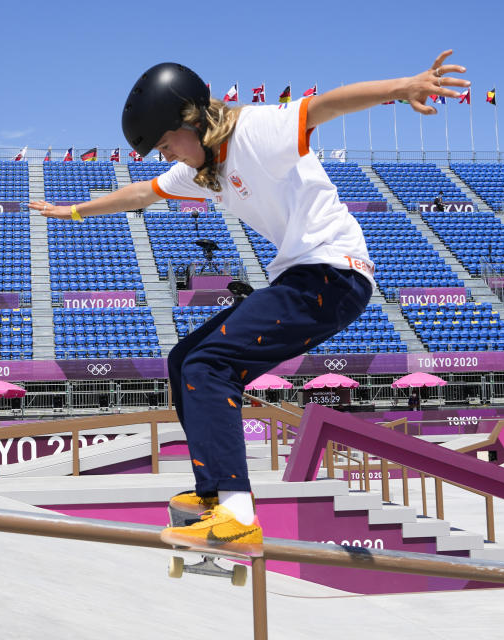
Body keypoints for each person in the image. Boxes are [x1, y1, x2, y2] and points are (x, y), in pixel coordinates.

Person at [29, 51, 468, 550]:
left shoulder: (257, 129)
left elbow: (324, 107)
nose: (169, 155)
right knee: (183, 359)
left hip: (333, 273)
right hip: (303, 278)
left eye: (169, 143)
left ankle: (238, 514)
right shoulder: (200, 169)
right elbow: (139, 194)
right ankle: (213, 494)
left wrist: (402, 86)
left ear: (193, 120)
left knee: (210, 365)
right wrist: (75, 211)